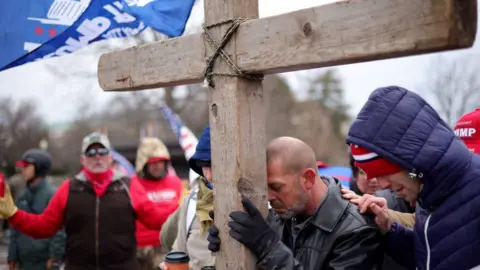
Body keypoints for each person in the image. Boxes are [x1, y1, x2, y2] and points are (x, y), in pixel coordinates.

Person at [347, 86, 480, 270]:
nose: (383, 185)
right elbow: (433, 256)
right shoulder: (429, 193)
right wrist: (388, 228)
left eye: (383, 173)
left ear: (410, 161)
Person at [0, 132, 175, 270]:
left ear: (110, 157)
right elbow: (44, 226)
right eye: (91, 152)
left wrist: (185, 208)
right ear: (82, 159)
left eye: (102, 151)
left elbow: (155, 218)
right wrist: (13, 214)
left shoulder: (128, 186)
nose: (97, 156)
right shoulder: (68, 188)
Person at [207, 136, 384, 269]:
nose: (269, 197)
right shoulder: (279, 216)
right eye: (265, 188)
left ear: (307, 179)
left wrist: (267, 247)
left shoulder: (358, 231)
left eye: (276, 186)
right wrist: (231, 245)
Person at [160, 125, 215, 270]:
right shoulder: (191, 202)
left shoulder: (256, 203)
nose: (208, 175)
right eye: (204, 165)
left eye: (214, 164)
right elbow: (179, 251)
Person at [8, 149, 66, 270]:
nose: (22, 169)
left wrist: (55, 257)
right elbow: (15, 229)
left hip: (43, 262)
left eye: (27, 166)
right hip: (24, 262)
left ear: (39, 168)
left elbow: (59, 231)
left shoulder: (53, 196)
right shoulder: (22, 197)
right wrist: (12, 256)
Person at [133, 137, 183, 270]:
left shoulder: (176, 182)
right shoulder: (133, 184)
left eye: (161, 162)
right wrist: (176, 210)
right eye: (152, 162)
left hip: (169, 246)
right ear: (142, 164)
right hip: (141, 248)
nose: (157, 166)